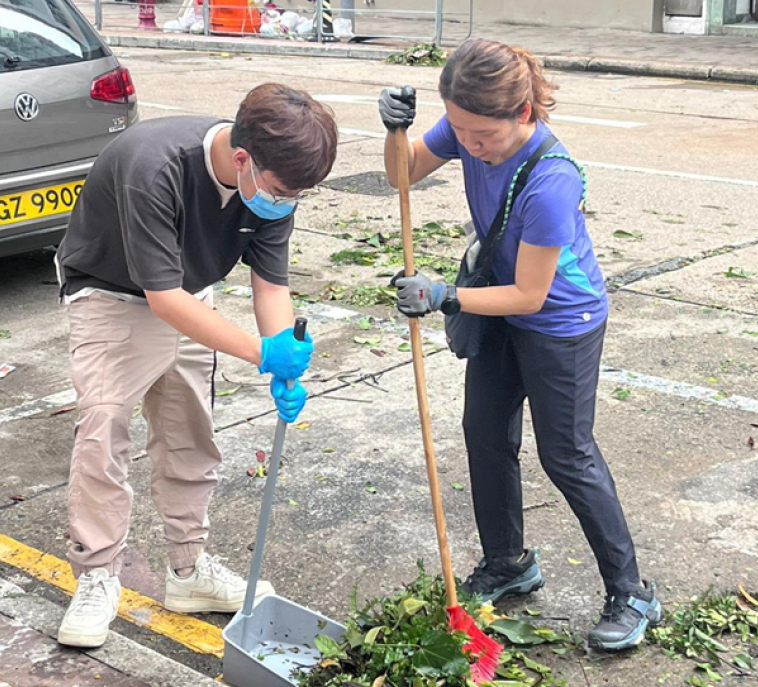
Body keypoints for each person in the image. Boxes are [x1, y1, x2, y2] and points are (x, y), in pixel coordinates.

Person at [379, 39, 662, 651]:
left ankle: (633, 591)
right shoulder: (467, 125)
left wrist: (444, 295)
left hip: (562, 321)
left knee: (567, 455)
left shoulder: (551, 181)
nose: (469, 146)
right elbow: (400, 174)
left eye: (481, 135)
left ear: (524, 115)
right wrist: (393, 131)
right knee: (484, 435)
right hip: (500, 307)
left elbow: (532, 294)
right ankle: (508, 563)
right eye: (458, 130)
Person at [54, 83, 337, 648]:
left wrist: (282, 354)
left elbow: (271, 284)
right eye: (285, 192)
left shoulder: (275, 181)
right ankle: (96, 576)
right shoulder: (152, 166)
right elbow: (162, 300)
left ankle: (188, 570)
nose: (287, 203)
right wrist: (260, 353)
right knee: (104, 428)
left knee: (190, 433)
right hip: (112, 295)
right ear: (241, 160)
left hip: (193, 293)